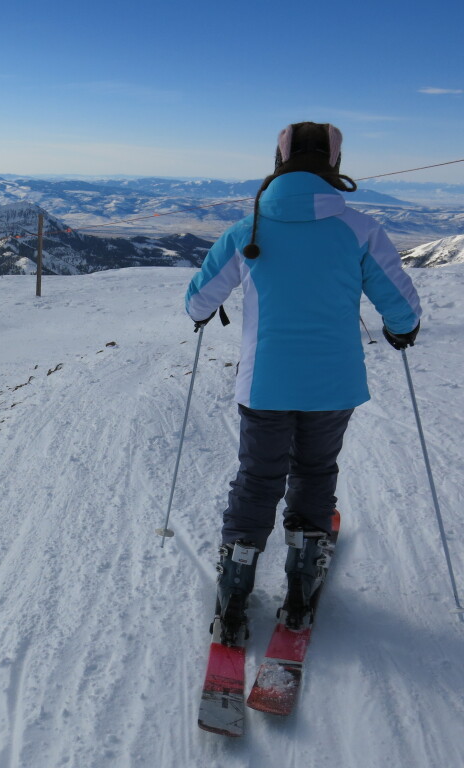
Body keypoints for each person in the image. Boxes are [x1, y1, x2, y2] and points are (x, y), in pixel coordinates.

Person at [184, 122, 422, 646]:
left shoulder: (246, 229)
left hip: (264, 383)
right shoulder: (360, 227)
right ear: (335, 165)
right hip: (332, 385)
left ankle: (235, 584)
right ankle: (301, 582)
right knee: (315, 471)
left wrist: (205, 311)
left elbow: (199, 300)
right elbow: (399, 304)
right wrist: (402, 331)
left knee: (258, 477)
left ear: (278, 160)